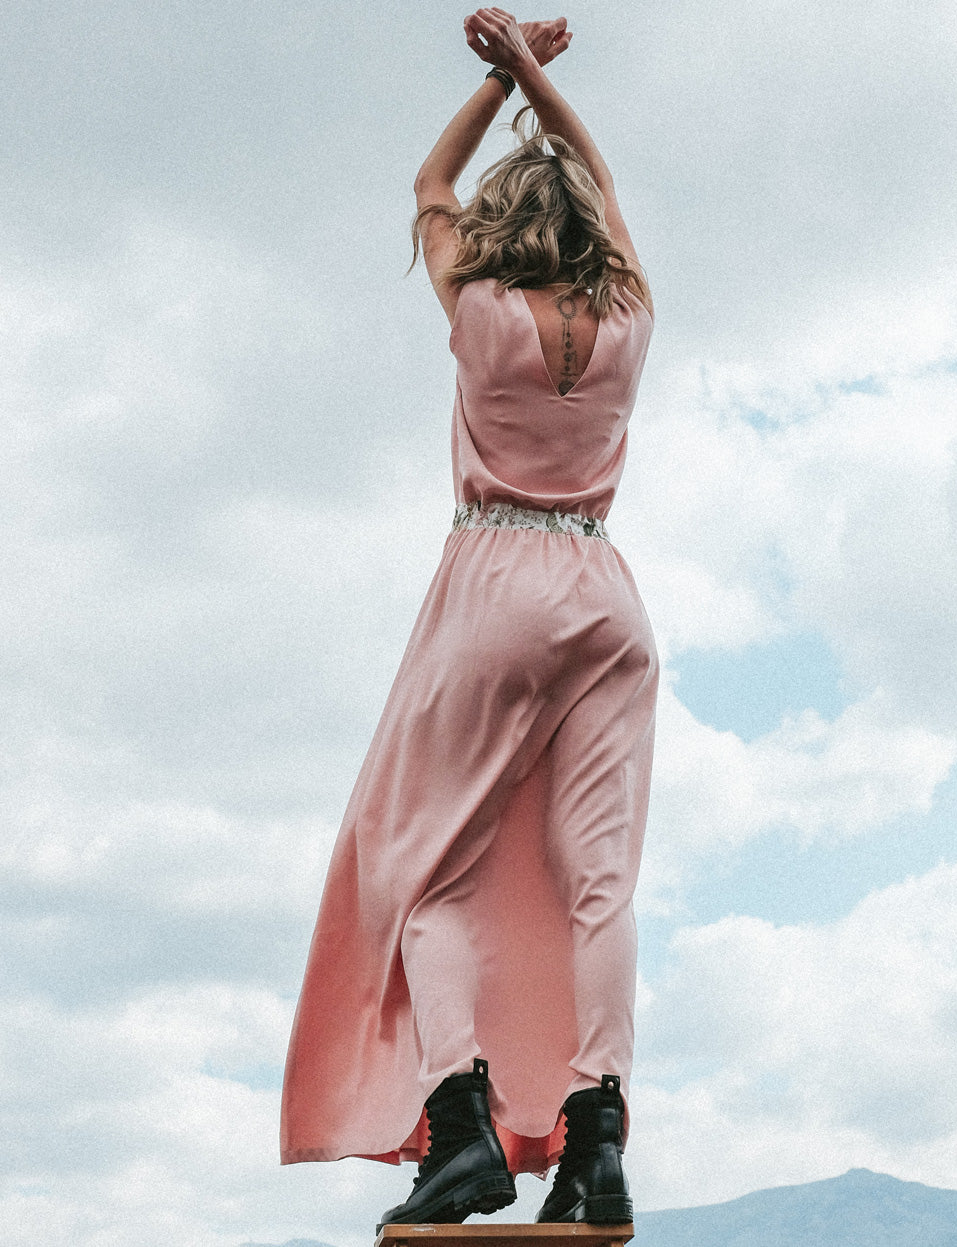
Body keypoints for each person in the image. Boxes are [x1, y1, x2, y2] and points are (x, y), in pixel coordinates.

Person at [280, 8, 658, 1233]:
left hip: (495, 581)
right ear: (591, 226)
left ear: (505, 230)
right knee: (598, 882)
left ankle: (462, 1122)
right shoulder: (628, 314)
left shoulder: (480, 308)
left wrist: (496, 80)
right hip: (606, 593)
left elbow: (431, 184)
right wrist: (538, 78)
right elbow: (598, 171)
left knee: (421, 868)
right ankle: (597, 1143)